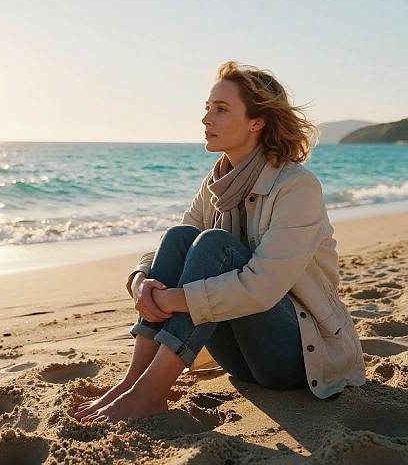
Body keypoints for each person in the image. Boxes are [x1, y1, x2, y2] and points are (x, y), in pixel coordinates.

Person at [74, 60, 366, 424]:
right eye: (207, 108)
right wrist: (140, 280)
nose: (206, 119)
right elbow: (174, 248)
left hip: (299, 358)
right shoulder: (217, 183)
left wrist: (171, 299)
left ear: (257, 121)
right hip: (240, 358)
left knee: (214, 245)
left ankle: (150, 394)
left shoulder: (296, 187)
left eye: (221, 109)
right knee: (182, 238)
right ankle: (135, 382)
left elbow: (261, 288)